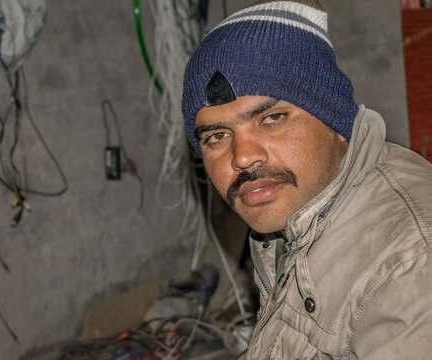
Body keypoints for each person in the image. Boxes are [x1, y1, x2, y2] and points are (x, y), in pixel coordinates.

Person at [181, 0, 432, 358]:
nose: (242, 156)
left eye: (272, 118)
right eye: (216, 136)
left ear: (335, 122)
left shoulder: (411, 265)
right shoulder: (299, 216)